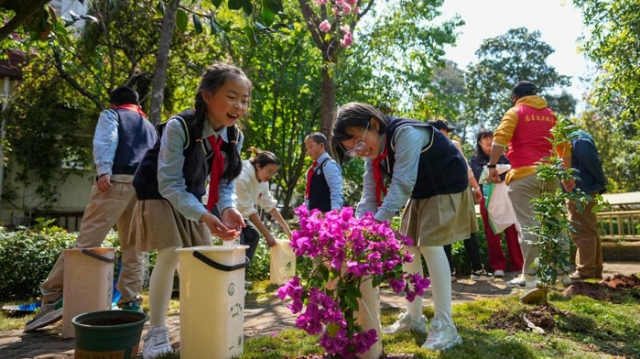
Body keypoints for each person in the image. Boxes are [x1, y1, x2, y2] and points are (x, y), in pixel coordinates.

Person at [332, 102, 476, 350]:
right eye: (352, 148)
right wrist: (360, 228)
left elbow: (402, 184)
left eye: (358, 140)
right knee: (407, 248)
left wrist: (377, 223)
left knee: (430, 245)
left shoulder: (405, 133)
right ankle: (414, 318)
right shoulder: (374, 153)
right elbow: (369, 195)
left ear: (374, 124)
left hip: (446, 185)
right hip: (421, 192)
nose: (360, 150)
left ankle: (446, 325)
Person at [129, 62, 249, 359]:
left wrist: (228, 209)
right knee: (170, 253)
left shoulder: (235, 137)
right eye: (232, 96)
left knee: (199, 259)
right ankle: (156, 333)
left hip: (191, 197)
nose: (239, 106)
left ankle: (198, 323)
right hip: (157, 191)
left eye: (245, 100)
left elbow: (224, 183)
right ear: (207, 96)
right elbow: (169, 183)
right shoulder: (179, 126)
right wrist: (205, 214)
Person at [24, 86, 157, 333]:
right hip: (143, 187)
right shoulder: (149, 126)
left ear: (115, 102)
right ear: (136, 104)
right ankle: (131, 302)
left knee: (88, 240)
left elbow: (106, 140)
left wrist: (103, 169)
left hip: (115, 181)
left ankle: (53, 296)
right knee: (135, 245)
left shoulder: (112, 115)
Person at [487, 80, 575, 289]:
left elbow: (500, 138)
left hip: (523, 175)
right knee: (555, 222)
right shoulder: (552, 115)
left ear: (515, 97)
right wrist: (566, 175)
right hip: (550, 175)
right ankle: (563, 275)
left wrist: (492, 165)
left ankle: (530, 277)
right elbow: (565, 146)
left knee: (529, 225)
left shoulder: (516, 111)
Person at [428, 119, 491, 282]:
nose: (448, 134)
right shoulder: (452, 144)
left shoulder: (424, 148)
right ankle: (477, 269)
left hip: (439, 194)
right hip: (460, 192)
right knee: (468, 230)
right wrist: (476, 188)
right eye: (445, 130)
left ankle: (448, 271)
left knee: (445, 232)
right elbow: (466, 168)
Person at [470, 129, 523, 278]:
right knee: (491, 233)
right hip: (487, 199)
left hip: (507, 199)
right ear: (479, 142)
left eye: (491, 138)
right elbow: (478, 175)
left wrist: (495, 175)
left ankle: (518, 265)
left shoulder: (504, 157)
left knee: (512, 230)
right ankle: (497, 266)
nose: (488, 141)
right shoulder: (474, 160)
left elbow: (511, 172)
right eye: (485, 138)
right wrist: (498, 172)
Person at [236, 147, 293, 264]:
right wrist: (268, 235)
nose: (270, 176)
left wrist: (288, 231)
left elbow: (270, 206)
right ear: (258, 166)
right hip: (219, 208)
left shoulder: (262, 180)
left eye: (273, 173)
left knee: (253, 235)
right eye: (269, 171)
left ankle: (241, 276)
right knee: (238, 239)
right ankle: (232, 278)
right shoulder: (242, 177)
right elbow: (250, 212)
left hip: (239, 214)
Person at [567, 127, 607, 280]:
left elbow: (590, 161)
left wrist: (600, 181)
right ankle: (594, 271)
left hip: (580, 188)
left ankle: (585, 271)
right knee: (590, 229)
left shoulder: (577, 138)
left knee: (581, 230)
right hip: (586, 187)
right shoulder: (580, 136)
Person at [304, 132, 344, 212]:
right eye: (307, 148)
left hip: (326, 214)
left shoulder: (329, 165)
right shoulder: (311, 170)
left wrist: (334, 213)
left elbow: (336, 191)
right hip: (314, 215)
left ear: (321, 145)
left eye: (311, 147)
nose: (308, 151)